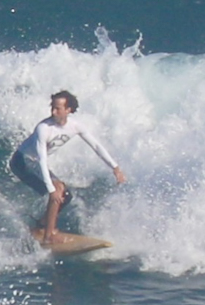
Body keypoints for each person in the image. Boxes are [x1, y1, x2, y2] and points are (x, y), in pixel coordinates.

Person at [9, 90, 126, 245]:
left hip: (34, 162)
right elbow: (42, 159)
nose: (53, 111)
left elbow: (96, 146)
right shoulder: (44, 128)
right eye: (52, 107)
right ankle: (49, 236)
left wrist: (115, 168)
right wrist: (51, 188)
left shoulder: (75, 126)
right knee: (57, 190)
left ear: (68, 110)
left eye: (58, 108)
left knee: (66, 196)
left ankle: (42, 224)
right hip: (21, 161)